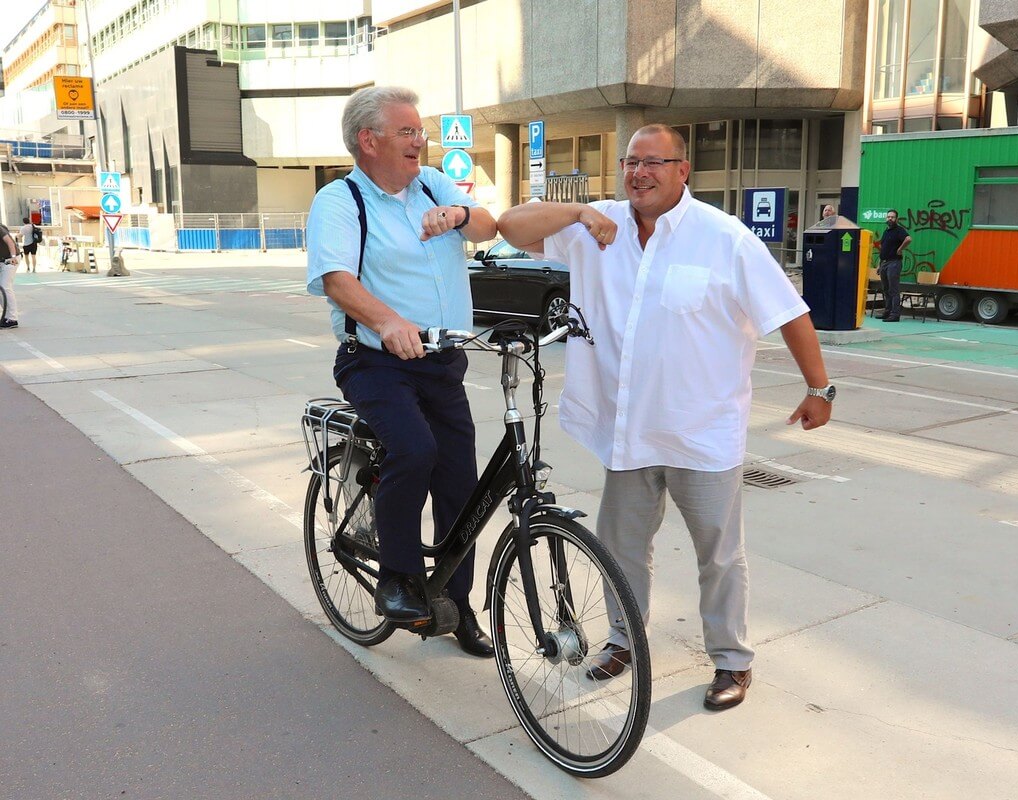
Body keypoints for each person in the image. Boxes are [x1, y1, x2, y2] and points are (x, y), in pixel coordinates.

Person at [498, 123, 834, 710]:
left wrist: (819, 388)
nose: (639, 173)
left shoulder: (723, 238)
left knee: (719, 554)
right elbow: (510, 227)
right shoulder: (595, 225)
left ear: (683, 171)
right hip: (628, 431)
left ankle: (731, 661)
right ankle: (625, 640)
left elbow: (790, 313)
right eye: (630, 161)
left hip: (701, 432)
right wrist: (576, 211)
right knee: (621, 546)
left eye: (654, 162)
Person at [305, 86, 498, 658]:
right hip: (375, 361)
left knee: (462, 486)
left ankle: (457, 606)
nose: (421, 140)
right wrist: (388, 322)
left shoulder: (432, 183)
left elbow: (488, 227)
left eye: (420, 130)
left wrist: (463, 213)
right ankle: (397, 576)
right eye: (408, 130)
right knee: (415, 450)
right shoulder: (340, 201)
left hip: (442, 361)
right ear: (370, 140)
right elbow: (337, 278)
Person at [876, 209, 912, 322]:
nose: (890, 219)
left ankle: (895, 314)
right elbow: (883, 248)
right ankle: (887, 312)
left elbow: (908, 239)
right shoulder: (886, 231)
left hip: (894, 263)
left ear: (896, 219)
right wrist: (879, 264)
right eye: (888, 217)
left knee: (893, 289)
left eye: (892, 217)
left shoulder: (899, 230)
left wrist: (900, 249)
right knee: (886, 289)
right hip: (884, 263)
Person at [0, 223, 19, 328]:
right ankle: (6, 316)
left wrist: (13, 256)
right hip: (1, 261)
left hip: (10, 260)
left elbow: (9, 242)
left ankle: (12, 319)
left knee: (5, 286)